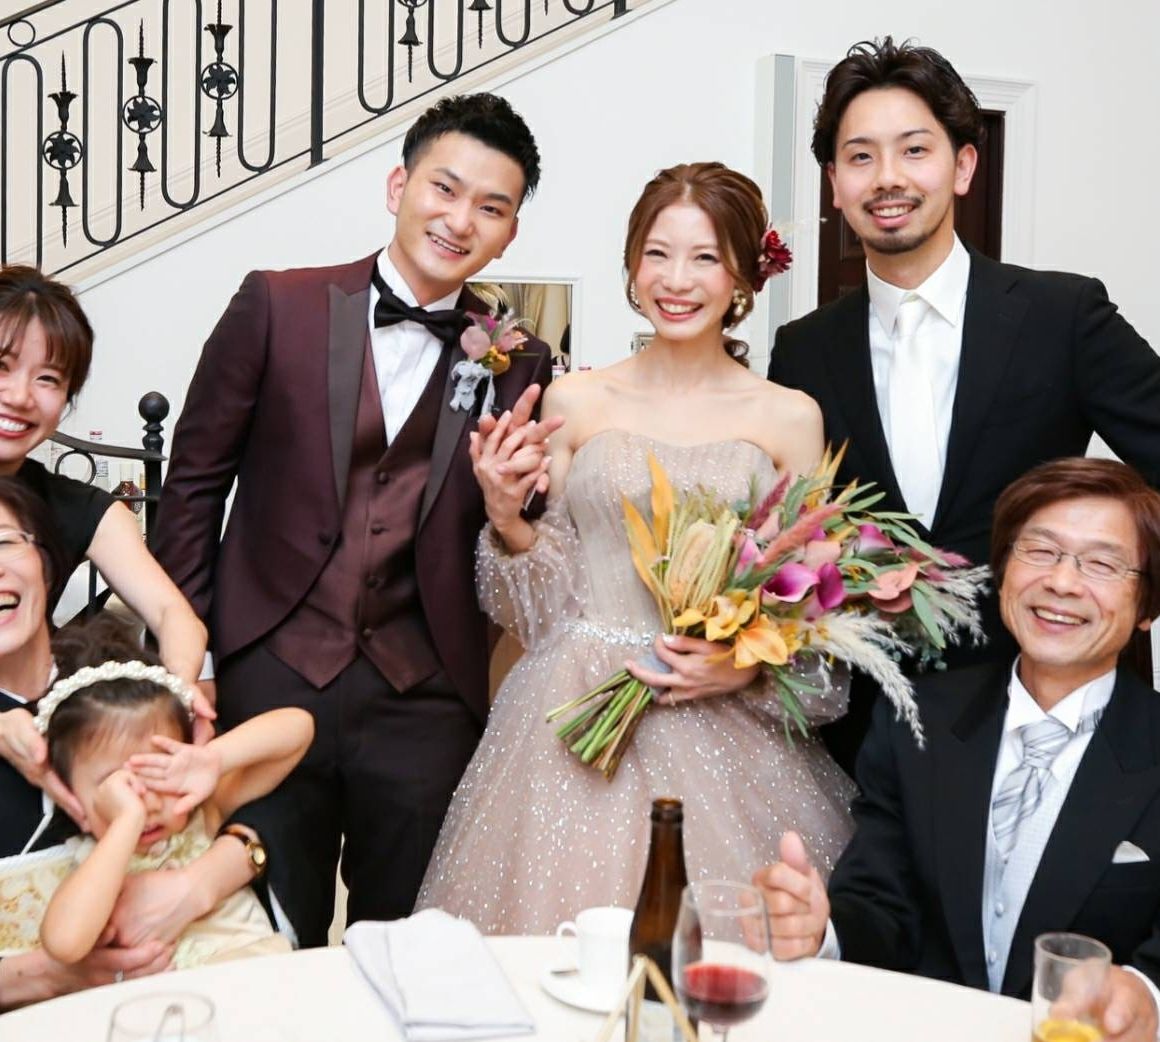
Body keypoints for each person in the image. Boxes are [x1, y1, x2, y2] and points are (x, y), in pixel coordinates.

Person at [154, 93, 553, 946]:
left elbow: (520, 532)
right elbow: (192, 487)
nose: (460, 220)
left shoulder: (521, 361)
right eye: (444, 189)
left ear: (510, 233)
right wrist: (196, 664)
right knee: (261, 929)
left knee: (405, 943)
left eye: (491, 208)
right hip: (270, 672)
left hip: (426, 696)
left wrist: (509, 501)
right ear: (398, 186)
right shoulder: (278, 304)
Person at [416, 162, 854, 933]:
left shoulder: (789, 416)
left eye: (705, 257)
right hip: (571, 705)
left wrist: (745, 663)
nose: (676, 280)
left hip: (720, 714)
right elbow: (540, 606)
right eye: (657, 253)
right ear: (631, 263)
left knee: (718, 954)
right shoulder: (576, 399)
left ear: (743, 274)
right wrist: (508, 518)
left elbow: (810, 607)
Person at [768, 37, 1160, 775]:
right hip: (866, 734)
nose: (888, 178)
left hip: (1046, 709)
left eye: (915, 150)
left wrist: (1128, 587)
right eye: (861, 157)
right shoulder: (803, 350)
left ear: (963, 166)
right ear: (834, 184)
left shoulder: (1063, 315)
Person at [755, 458, 1160, 1042]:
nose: (1063, 582)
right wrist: (822, 930)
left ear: (1147, 606)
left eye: (1101, 563)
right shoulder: (917, 715)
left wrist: (1145, 993)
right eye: (1040, 550)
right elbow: (882, 904)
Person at [0, 482, 273, 1009]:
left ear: (48, 565)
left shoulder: (114, 695)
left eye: (5, 543)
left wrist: (206, 877)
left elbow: (265, 781)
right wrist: (54, 976)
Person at [14, 620, 313, 969]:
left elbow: (298, 729)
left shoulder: (202, 812)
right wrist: (126, 822)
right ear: (69, 794)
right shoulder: (92, 863)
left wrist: (213, 759)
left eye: (160, 775)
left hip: (255, 979)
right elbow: (65, 944)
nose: (148, 803)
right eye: (121, 786)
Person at [0, 266, 207, 688]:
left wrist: (178, 693)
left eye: (47, 379)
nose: (20, 396)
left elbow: (172, 614)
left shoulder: (81, 509)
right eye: (2, 366)